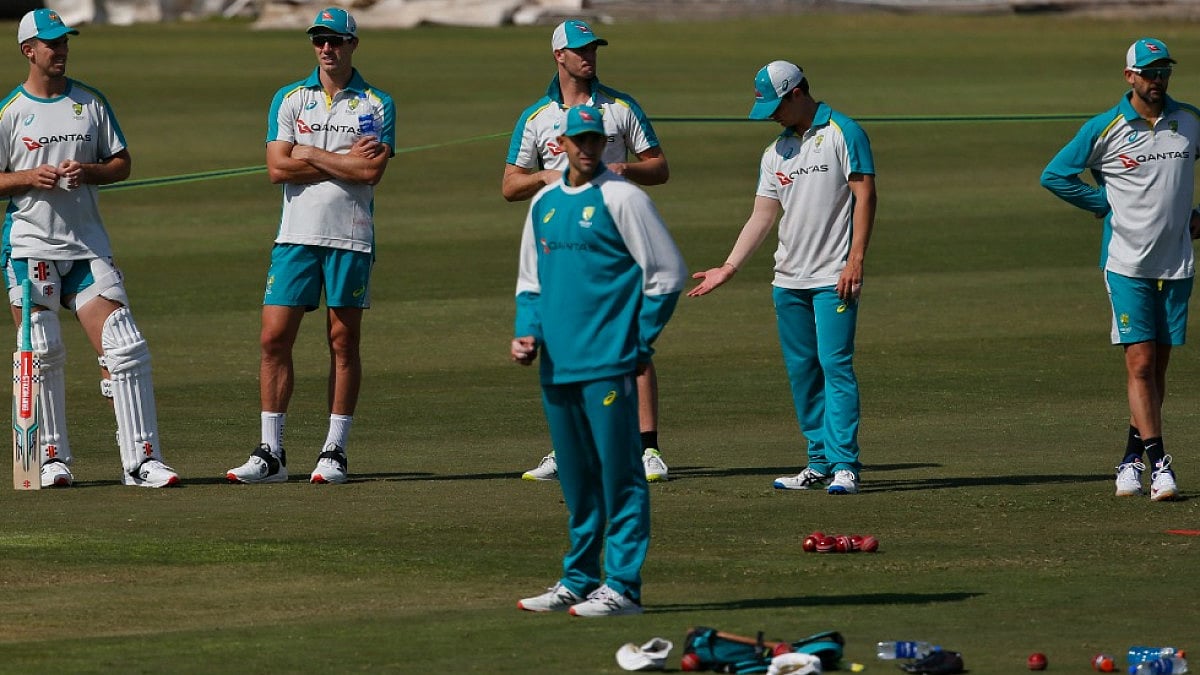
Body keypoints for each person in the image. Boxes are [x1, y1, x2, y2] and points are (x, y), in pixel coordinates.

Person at [512, 105, 686, 617]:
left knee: (621, 475)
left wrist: (638, 342)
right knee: (577, 479)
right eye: (580, 140)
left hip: (608, 363)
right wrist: (527, 333)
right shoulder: (543, 202)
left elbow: (668, 274)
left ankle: (624, 588)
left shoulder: (624, 197)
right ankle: (579, 579)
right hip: (557, 365)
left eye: (596, 140)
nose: (588, 148)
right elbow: (530, 283)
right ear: (561, 145)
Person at [0, 8, 180, 488]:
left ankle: (142, 461)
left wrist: (89, 171)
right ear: (28, 51)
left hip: (86, 246)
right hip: (29, 247)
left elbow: (120, 163)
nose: (61, 50)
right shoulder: (10, 112)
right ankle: (50, 459)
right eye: (51, 43)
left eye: (65, 41)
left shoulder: (89, 102)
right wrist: (28, 177)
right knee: (42, 351)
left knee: (125, 346)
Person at [689, 60, 877, 496]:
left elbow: (865, 195)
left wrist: (855, 260)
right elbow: (762, 215)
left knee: (835, 366)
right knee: (803, 372)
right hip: (788, 280)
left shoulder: (844, 132)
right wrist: (729, 267)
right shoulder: (776, 151)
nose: (772, 116)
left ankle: (845, 465)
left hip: (833, 276)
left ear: (797, 93)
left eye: (776, 106)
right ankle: (818, 462)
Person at [226, 7, 395, 485]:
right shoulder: (290, 98)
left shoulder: (376, 103)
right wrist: (341, 160)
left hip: (351, 236)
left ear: (352, 44)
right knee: (273, 339)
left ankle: (334, 451)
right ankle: (271, 453)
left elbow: (370, 171)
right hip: (295, 237)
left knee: (343, 342)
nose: (326, 48)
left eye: (335, 40)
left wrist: (310, 152)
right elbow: (277, 169)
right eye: (319, 40)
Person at [503, 19, 673, 483]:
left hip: (617, 239)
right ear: (559, 55)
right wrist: (544, 176)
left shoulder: (620, 107)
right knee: (564, 339)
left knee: (628, 337)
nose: (589, 56)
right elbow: (510, 185)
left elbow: (659, 167)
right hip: (561, 244)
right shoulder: (537, 117)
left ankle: (647, 448)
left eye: (593, 48)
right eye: (580, 50)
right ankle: (570, 446)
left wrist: (625, 169)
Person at [1041, 38, 1199, 502]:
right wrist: (1101, 203)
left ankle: (1130, 458)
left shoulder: (1189, 121)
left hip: (1177, 263)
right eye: (1149, 72)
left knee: (1158, 370)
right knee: (1141, 364)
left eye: (1163, 71)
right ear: (1130, 76)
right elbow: (1055, 174)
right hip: (1126, 262)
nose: (1157, 79)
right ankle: (1161, 465)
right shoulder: (1105, 127)